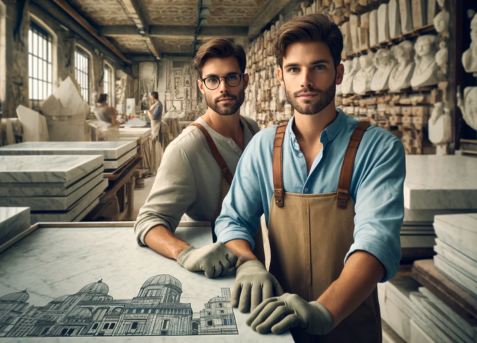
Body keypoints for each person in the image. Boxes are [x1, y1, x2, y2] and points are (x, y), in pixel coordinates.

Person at [214, 14, 405, 342]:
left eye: (318, 66)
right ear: (280, 76)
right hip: (275, 323)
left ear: (339, 72)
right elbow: (233, 220)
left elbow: (376, 242)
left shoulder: (379, 148)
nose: (305, 80)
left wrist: (324, 310)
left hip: (350, 325)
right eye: (294, 69)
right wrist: (247, 261)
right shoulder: (262, 147)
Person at [133, 38, 265, 280]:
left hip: (255, 258)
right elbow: (148, 221)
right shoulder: (186, 149)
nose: (223, 87)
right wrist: (185, 253)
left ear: (244, 81)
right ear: (201, 87)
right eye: (213, 80)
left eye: (231, 77)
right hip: (217, 269)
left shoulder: (253, 130)